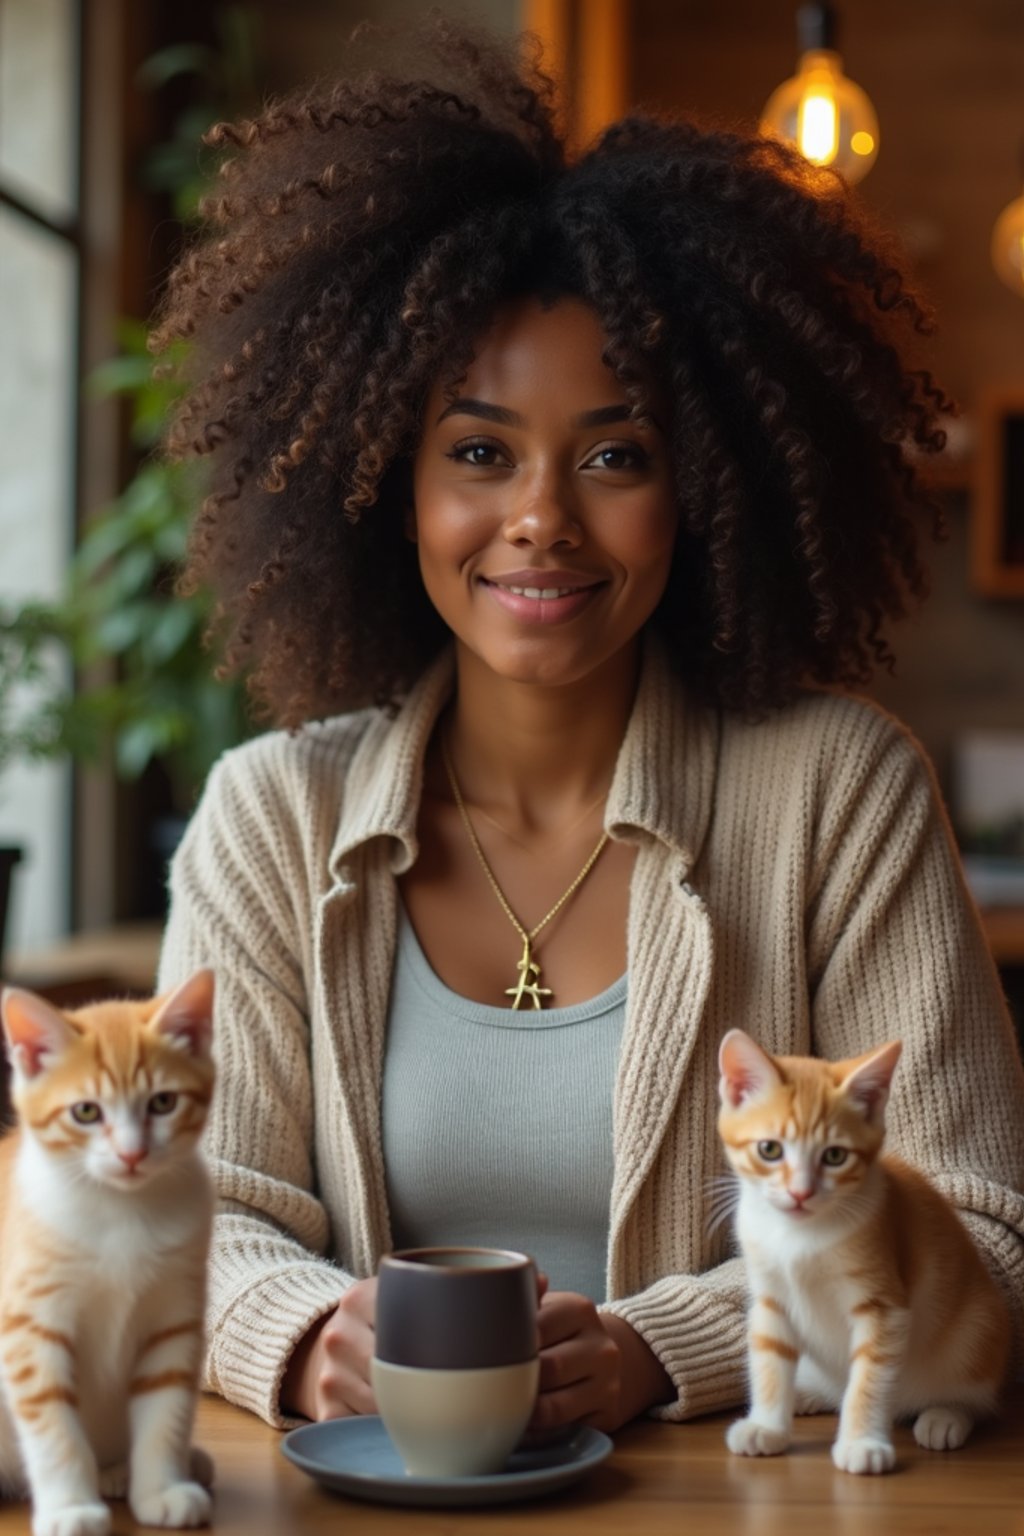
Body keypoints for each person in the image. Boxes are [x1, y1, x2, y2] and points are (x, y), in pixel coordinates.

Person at [154, 16, 1024, 1434]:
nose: (543, 519)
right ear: (387, 482)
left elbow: (989, 1234)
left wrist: (665, 1352)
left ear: (710, 484)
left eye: (617, 454)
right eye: (479, 451)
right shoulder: (270, 820)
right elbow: (201, 1214)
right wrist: (304, 1332)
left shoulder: (838, 794)